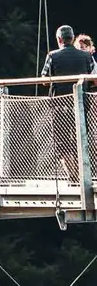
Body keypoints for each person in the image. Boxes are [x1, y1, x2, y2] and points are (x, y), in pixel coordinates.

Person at [40, 25, 95, 182]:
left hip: (60, 105)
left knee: (62, 141)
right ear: (72, 38)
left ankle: (73, 176)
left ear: (59, 39)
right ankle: (83, 175)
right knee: (80, 138)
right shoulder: (86, 56)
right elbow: (92, 76)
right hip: (81, 104)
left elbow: (44, 80)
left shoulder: (52, 56)